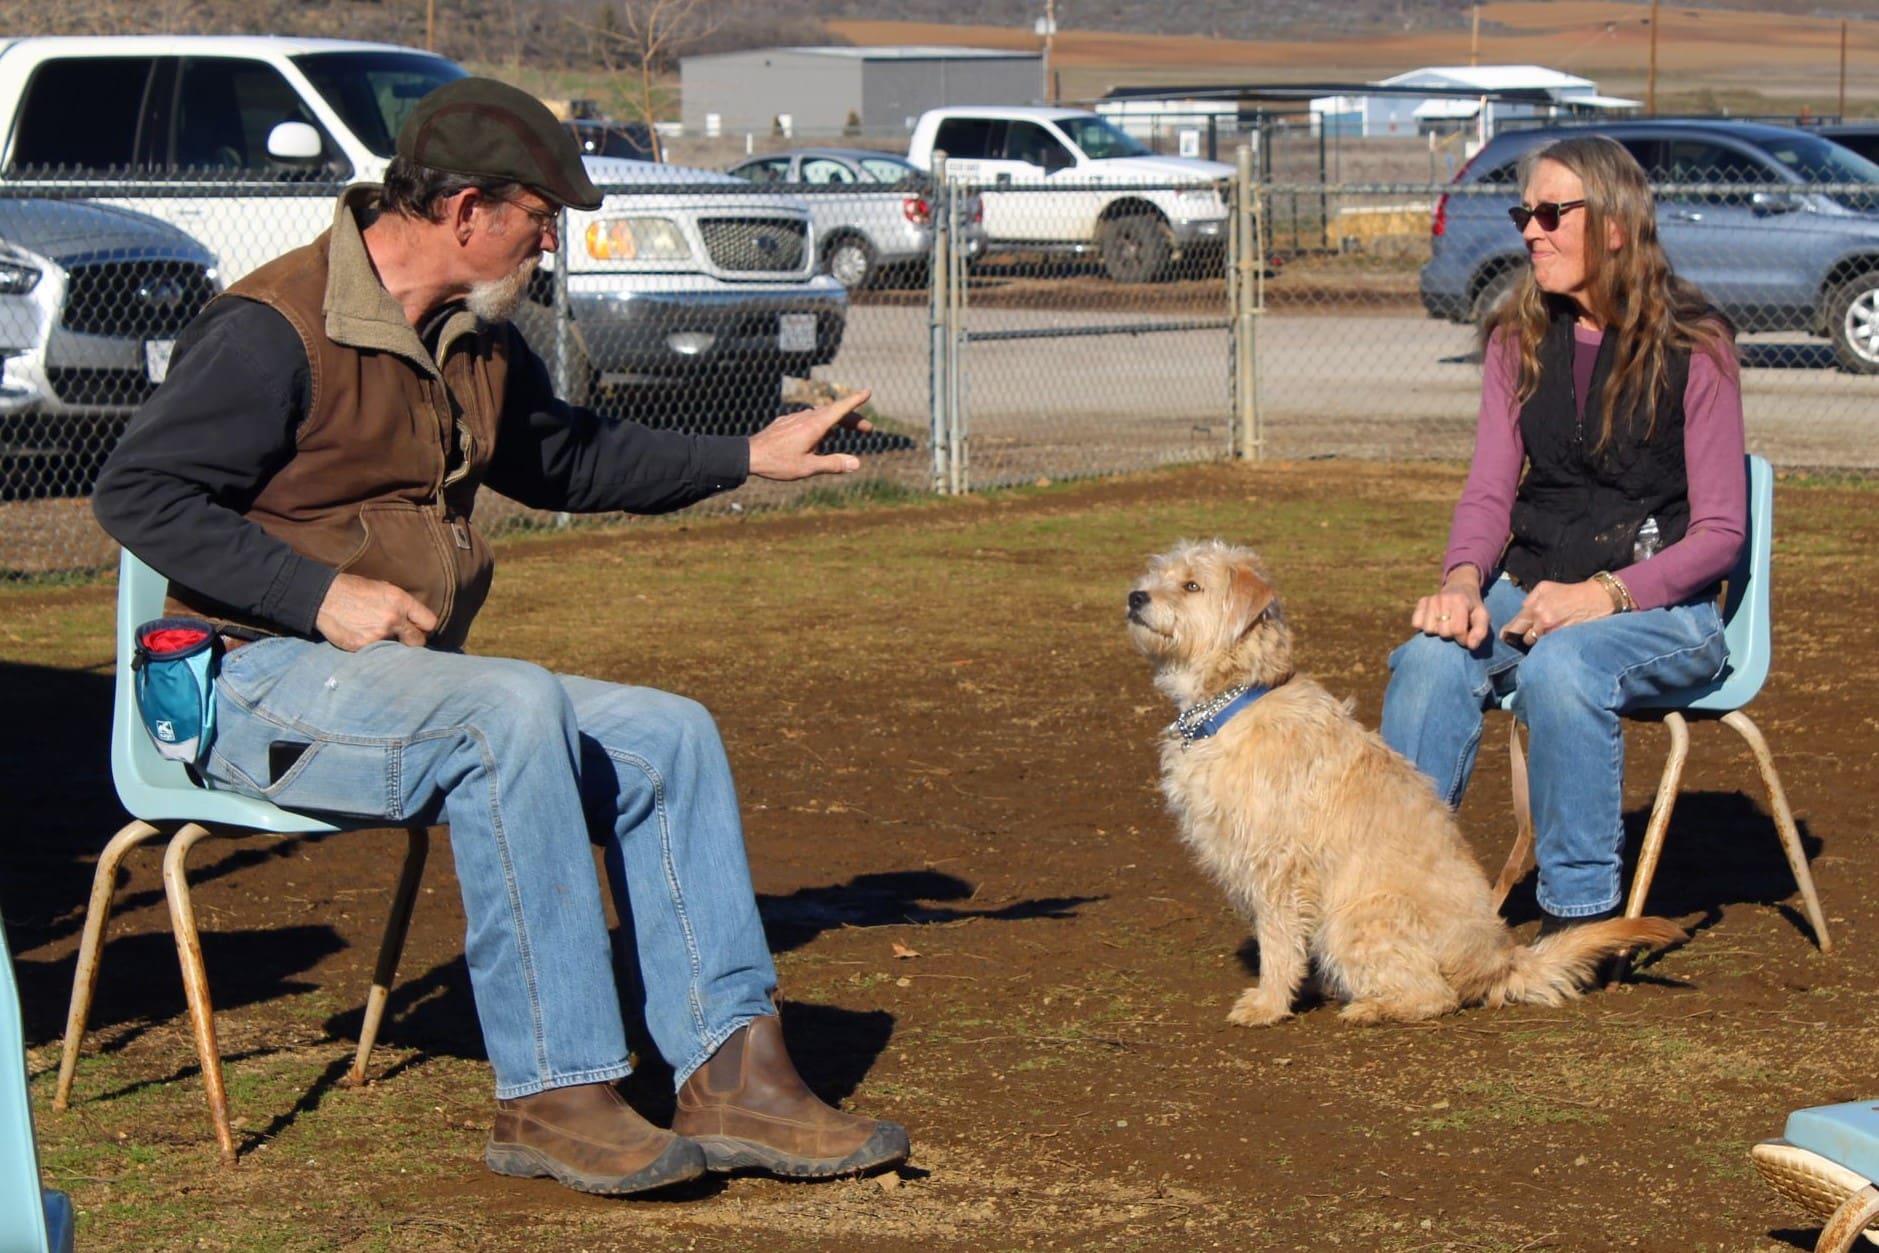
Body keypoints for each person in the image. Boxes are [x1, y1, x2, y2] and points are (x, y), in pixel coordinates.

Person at [91, 77, 909, 1196]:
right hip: (241, 684)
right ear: (465, 208)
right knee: (506, 701)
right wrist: (315, 593)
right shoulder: (271, 328)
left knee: (667, 733)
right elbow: (140, 493)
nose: (551, 240)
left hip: (392, 689)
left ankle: (733, 1073)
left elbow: (567, 459)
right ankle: (556, 1094)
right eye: (541, 215)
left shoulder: (472, 338)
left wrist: (744, 457)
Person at [1378, 134, 1746, 939]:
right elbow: (1487, 489)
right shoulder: (1516, 337)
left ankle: (1575, 919)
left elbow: (1720, 532)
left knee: (1564, 663)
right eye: (1524, 213)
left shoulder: (1696, 343)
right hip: (1531, 585)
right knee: (1429, 660)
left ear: (1613, 224)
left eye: (1550, 212)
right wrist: (1463, 585)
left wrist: (1601, 596)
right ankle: (1393, 902)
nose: (1530, 231)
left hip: (1665, 609)